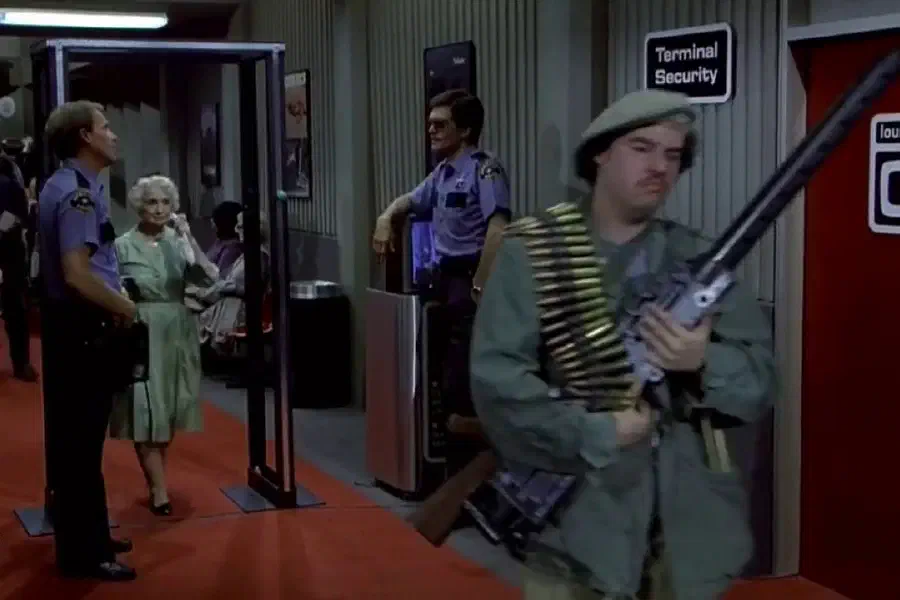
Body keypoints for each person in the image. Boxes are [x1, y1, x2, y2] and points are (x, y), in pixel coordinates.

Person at [469, 90, 776, 599]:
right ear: (600, 154)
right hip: (579, 533)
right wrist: (599, 431)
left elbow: (761, 382)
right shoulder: (535, 252)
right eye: (642, 147)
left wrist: (701, 361)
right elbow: (497, 385)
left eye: (673, 154)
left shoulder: (698, 261)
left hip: (688, 534)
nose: (659, 167)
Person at [371, 88, 511, 476]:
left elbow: (499, 228)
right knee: (440, 380)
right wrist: (386, 217)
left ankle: (471, 481)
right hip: (443, 281)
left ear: (464, 130)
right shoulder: (443, 173)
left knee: (462, 385)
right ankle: (451, 475)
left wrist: (479, 287)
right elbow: (410, 201)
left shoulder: (484, 170)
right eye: (430, 124)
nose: (430, 130)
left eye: (440, 124)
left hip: (470, 280)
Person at [38, 99, 137, 581]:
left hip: (72, 328)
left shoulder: (67, 185)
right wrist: (126, 308)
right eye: (105, 127)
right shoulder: (76, 194)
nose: (113, 135)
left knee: (80, 442)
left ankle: (90, 533)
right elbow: (77, 274)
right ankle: (84, 553)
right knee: (79, 444)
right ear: (84, 137)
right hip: (81, 328)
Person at [109, 174, 218, 516]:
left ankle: (156, 477)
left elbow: (209, 279)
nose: (159, 209)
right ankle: (159, 489)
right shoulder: (122, 245)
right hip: (141, 331)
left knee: (168, 411)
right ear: (139, 206)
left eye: (165, 202)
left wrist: (189, 238)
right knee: (144, 409)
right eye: (152, 202)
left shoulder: (178, 241)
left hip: (177, 331)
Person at [0, 151, 37, 381]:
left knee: (14, 307)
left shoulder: (8, 183)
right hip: (10, 250)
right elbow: (20, 216)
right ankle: (21, 363)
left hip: (9, 250)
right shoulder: (10, 180)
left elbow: (16, 215)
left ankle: (22, 363)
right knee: (15, 309)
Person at [206, 200, 243, 277]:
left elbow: (220, 276)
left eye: (215, 223)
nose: (212, 227)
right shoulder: (219, 241)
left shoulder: (232, 249)